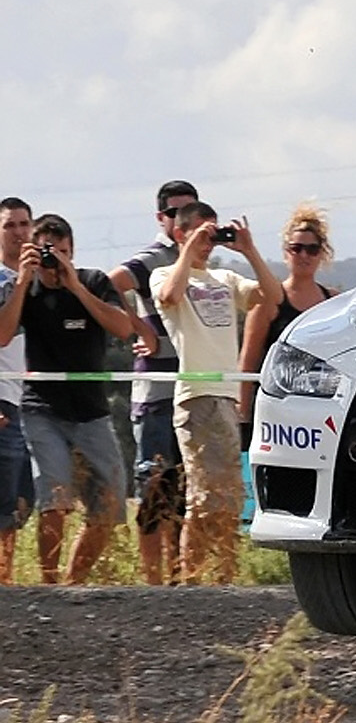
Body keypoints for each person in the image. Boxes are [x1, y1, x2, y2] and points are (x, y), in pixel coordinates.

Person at [0, 214, 135, 584]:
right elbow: (2, 334)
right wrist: (24, 280)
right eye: (47, 253)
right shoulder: (25, 290)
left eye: (62, 253)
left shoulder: (94, 282)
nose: (54, 261)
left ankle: (73, 581)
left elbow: (123, 328)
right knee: (55, 497)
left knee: (110, 503)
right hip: (43, 410)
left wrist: (74, 285)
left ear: (73, 253)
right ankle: (48, 582)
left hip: (92, 411)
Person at [151, 202, 278, 584]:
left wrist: (249, 250)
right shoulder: (164, 274)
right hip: (195, 395)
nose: (209, 243)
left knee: (229, 496)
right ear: (180, 233)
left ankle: (224, 576)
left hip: (225, 396)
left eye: (213, 235)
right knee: (203, 498)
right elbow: (170, 297)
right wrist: (189, 249)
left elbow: (271, 298)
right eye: (202, 234)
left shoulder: (225, 278)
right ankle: (191, 579)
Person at [109, 180, 197, 585]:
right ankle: (151, 583)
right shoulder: (153, 256)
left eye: (190, 210)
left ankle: (180, 579)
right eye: (175, 212)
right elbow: (112, 283)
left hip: (192, 389)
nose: (184, 220)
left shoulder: (202, 258)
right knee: (152, 488)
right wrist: (137, 330)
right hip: (157, 391)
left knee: (183, 493)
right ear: (161, 218)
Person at [238, 203, 338, 425]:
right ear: (286, 253)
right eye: (297, 248)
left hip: (319, 408)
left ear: (322, 253)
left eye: (312, 249)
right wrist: (243, 413)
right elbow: (248, 361)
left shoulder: (333, 301)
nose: (304, 255)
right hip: (274, 408)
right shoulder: (268, 301)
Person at [0, 198, 34, 583]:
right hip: (4, 400)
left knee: (24, 501)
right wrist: (21, 283)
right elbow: (4, 333)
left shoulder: (44, 274)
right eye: (10, 225)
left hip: (34, 401)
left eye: (25, 224)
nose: (19, 232)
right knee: (4, 502)